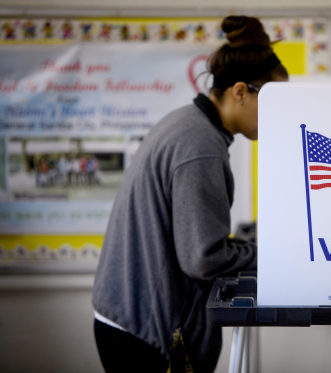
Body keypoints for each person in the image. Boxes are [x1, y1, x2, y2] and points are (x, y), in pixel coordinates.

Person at [92, 15, 288, 373]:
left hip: (125, 315)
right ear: (240, 92)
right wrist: (277, 255)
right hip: (146, 333)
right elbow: (204, 258)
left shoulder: (188, 124)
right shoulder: (200, 146)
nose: (280, 116)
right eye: (274, 102)